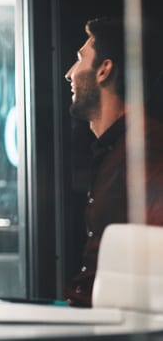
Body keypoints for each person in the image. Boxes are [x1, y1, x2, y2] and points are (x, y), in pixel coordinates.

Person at [63, 17, 163, 307]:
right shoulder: (118, 149)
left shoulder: (145, 147)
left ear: (104, 69)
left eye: (80, 59)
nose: (70, 73)